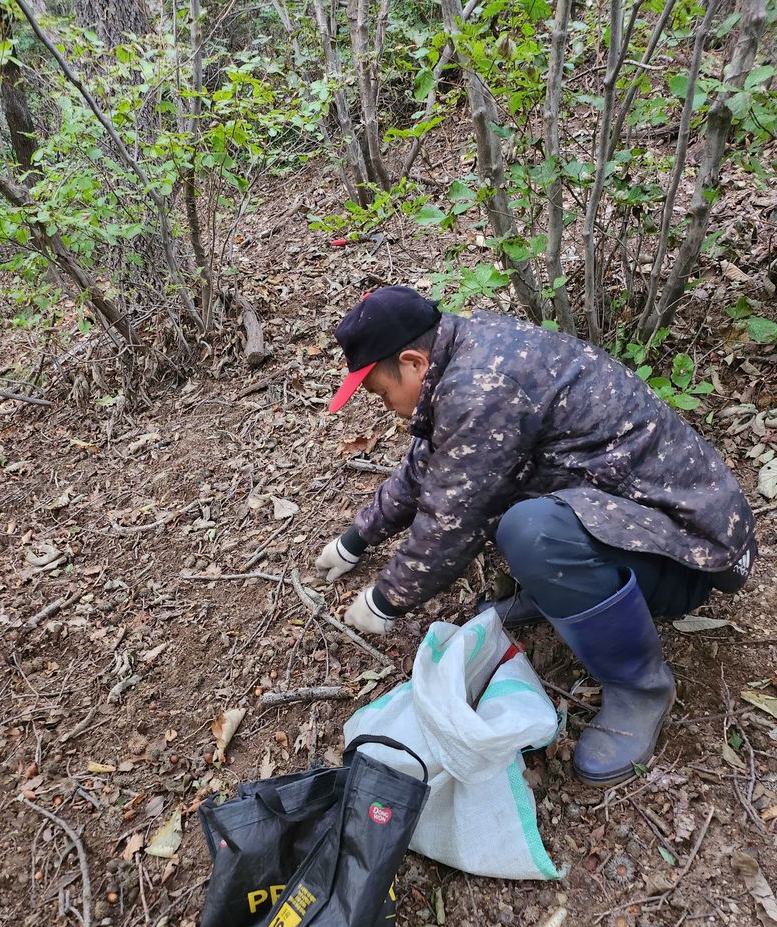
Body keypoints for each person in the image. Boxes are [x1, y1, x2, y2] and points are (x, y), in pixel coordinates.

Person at [315, 286, 756, 785]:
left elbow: (451, 519)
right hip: (640, 520)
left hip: (690, 552)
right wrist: (357, 538)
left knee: (530, 530)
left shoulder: (481, 387)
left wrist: (384, 600)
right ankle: (562, 594)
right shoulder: (464, 352)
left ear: (413, 362)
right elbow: (430, 469)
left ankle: (640, 687)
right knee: (512, 511)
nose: (388, 408)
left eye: (381, 393)